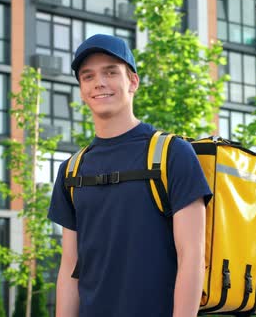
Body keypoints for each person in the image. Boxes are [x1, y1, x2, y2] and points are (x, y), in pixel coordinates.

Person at [47, 34, 212, 317]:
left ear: (132, 81)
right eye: (88, 76)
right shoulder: (71, 170)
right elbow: (69, 268)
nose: (99, 82)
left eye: (111, 72)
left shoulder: (173, 154)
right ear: (82, 89)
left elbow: (192, 258)